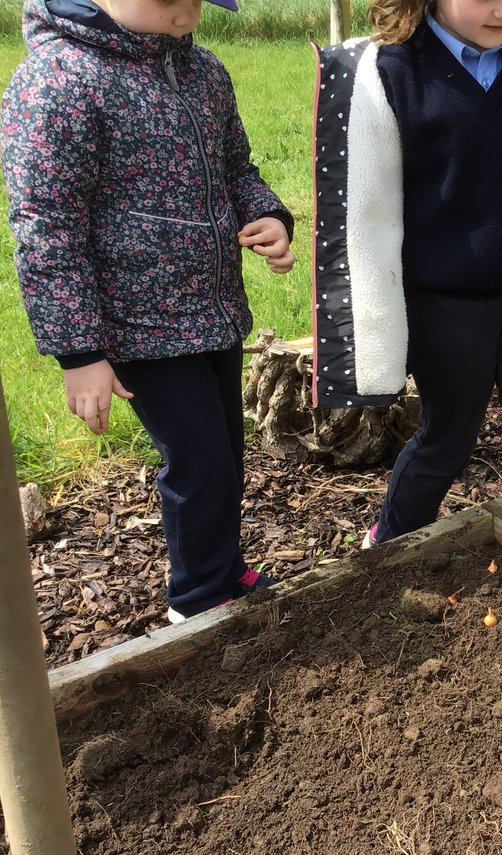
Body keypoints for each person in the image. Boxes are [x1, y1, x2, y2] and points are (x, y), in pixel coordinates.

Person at [2, 0, 295, 623]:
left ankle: (220, 564)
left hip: (211, 309)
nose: (187, 8)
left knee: (224, 453)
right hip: (134, 328)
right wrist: (79, 352)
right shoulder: (59, 81)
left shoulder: (203, 71)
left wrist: (265, 213)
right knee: (198, 460)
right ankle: (198, 597)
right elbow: (45, 226)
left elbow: (235, 166)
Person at [309, 0, 502, 561]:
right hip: (444, 305)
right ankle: (388, 548)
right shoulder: (391, 74)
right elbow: (364, 211)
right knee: (447, 440)